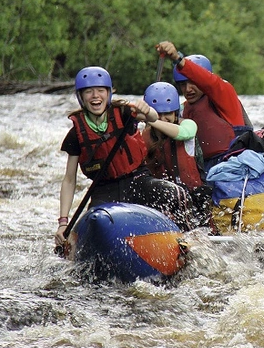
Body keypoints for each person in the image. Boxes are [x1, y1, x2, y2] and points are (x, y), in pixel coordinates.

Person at [55, 67, 194, 248]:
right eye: (88, 91)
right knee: (96, 223)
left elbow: (150, 117)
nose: (95, 96)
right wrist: (63, 222)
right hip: (105, 190)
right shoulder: (75, 134)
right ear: (81, 97)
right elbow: (69, 180)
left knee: (176, 194)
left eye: (100, 90)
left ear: (109, 93)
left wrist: (147, 109)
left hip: (137, 180)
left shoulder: (124, 113)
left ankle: (187, 240)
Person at [155, 41, 250, 172]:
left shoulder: (225, 95)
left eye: (193, 82)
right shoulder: (181, 110)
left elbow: (210, 81)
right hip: (203, 168)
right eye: (182, 84)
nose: (188, 89)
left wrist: (178, 59)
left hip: (232, 163)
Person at [142, 81, 215, 231]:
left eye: (167, 113)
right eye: (158, 114)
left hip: (194, 199)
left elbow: (183, 134)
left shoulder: (188, 125)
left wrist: (153, 120)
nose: (163, 118)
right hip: (162, 199)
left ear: (176, 112)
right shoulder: (143, 135)